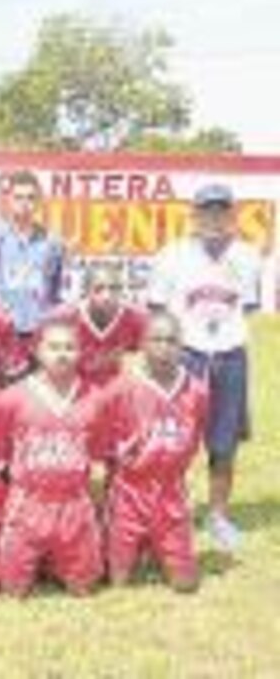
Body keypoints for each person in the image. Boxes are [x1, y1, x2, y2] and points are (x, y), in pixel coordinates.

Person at [148, 183, 262, 554]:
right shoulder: (171, 256)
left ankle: (217, 515)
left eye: (221, 210)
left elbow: (246, 309)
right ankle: (169, 510)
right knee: (171, 439)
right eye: (206, 210)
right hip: (187, 356)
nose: (213, 218)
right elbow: (157, 310)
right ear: (194, 215)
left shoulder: (248, 256)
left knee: (224, 442)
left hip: (229, 355)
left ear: (232, 215)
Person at [0, 319, 109, 596]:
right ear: (37, 351)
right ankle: (36, 556)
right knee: (12, 591)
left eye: (70, 347)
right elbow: (1, 457)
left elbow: (97, 461)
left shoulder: (96, 399)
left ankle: (59, 558)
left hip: (73, 503)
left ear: (81, 353)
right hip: (28, 503)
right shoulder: (11, 398)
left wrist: (96, 506)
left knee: (84, 588)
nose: (62, 354)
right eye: (54, 347)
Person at [104, 311, 208, 593]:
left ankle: (159, 547)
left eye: (172, 341)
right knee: (119, 583)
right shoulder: (121, 388)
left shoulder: (197, 391)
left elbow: (194, 438)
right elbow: (103, 440)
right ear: (142, 344)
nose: (164, 348)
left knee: (185, 585)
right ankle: (128, 547)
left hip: (171, 492)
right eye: (156, 340)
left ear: (182, 345)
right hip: (130, 490)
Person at [0, 169, 64, 348]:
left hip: (40, 332)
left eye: (30, 197)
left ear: (38, 201)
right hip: (2, 332)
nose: (24, 203)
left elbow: (56, 292)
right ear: (9, 200)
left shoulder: (52, 242)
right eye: (18, 197)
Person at [50, 262, 146, 386]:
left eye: (114, 288)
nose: (107, 296)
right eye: (99, 289)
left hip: (120, 395)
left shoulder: (138, 319)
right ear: (86, 290)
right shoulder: (64, 318)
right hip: (77, 394)